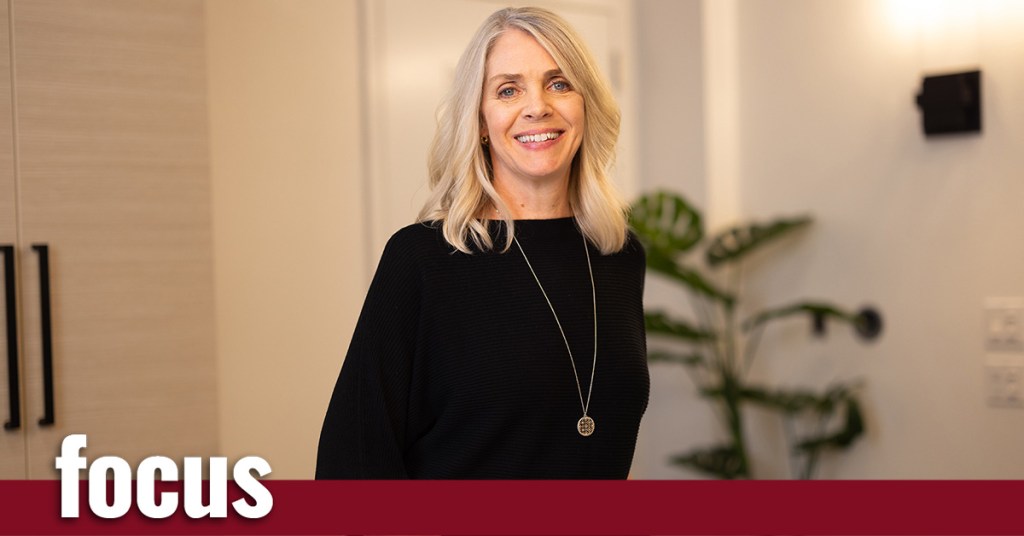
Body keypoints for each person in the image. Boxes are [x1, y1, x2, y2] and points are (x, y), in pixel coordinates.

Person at [316, 6, 648, 479]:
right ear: (480, 121)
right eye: (508, 89)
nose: (538, 106)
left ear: (586, 104)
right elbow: (352, 463)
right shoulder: (423, 260)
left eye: (559, 83)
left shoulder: (619, 255)